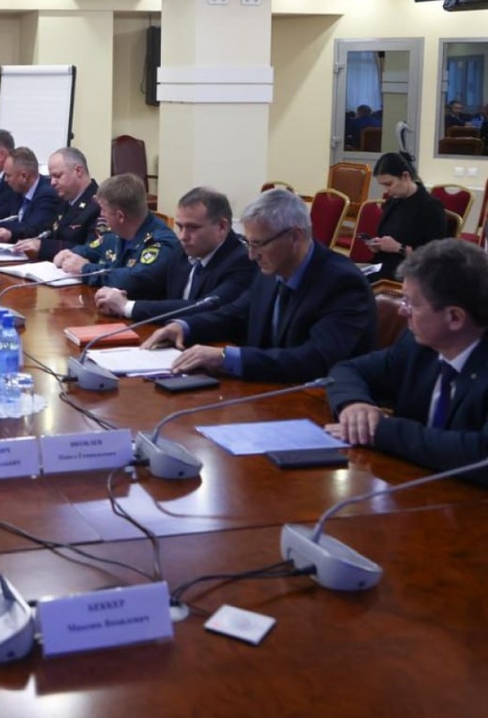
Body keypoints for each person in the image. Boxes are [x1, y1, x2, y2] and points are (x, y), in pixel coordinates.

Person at [143, 188, 376, 383]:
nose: (252, 255)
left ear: (295, 236)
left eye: (259, 244)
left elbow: (315, 359)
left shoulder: (342, 282)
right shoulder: (271, 270)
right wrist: (184, 327)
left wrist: (226, 358)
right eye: (249, 243)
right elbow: (234, 315)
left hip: (317, 401)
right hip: (264, 390)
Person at [325, 239, 488, 483]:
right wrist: (355, 405)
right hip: (408, 484)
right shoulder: (417, 345)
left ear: (455, 317)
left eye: (412, 303)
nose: (403, 311)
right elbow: (348, 370)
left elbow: (480, 454)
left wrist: (381, 431)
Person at [95, 187, 256, 322]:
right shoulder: (182, 250)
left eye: (193, 228)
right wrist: (114, 297)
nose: (183, 236)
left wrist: (127, 307)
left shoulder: (241, 260)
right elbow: (151, 285)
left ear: (222, 226)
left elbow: (204, 308)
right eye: (180, 227)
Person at [52, 173, 180, 291]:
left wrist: (85, 269)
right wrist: (69, 255)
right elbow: (89, 250)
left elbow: (132, 280)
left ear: (120, 216)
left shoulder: (161, 242)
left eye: (103, 210)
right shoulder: (116, 234)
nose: (101, 215)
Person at [366, 152, 447, 281]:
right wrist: (379, 245)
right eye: (383, 185)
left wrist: (399, 248)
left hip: (411, 272)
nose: (386, 190)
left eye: (389, 184)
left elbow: (435, 257)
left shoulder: (430, 206)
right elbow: (387, 235)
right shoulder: (393, 201)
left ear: (405, 176)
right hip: (384, 265)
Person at [11, 147, 100, 260]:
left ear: (78, 171)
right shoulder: (65, 200)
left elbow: (93, 250)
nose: (52, 182)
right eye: (51, 177)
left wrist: (43, 246)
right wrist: (13, 234)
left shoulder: (99, 204)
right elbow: (44, 230)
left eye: (57, 176)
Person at [0, 147, 60, 242]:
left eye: (8, 175)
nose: (5, 180)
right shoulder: (18, 191)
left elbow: (30, 228)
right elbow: (1, 211)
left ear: (24, 176)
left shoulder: (47, 194)